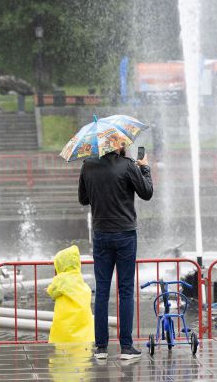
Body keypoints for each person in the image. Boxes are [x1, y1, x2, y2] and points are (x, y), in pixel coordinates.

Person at [78, 144, 153, 360]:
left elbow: (83, 199)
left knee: (102, 291)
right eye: (124, 143)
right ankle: (126, 347)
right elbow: (146, 193)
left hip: (101, 233)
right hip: (125, 234)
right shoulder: (128, 165)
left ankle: (101, 348)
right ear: (118, 145)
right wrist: (144, 168)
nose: (126, 146)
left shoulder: (88, 166)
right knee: (126, 289)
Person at [46, 245, 95, 343]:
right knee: (82, 334)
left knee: (63, 336)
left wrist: (48, 290)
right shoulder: (79, 277)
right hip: (81, 315)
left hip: (65, 317)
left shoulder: (61, 279)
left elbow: (52, 292)